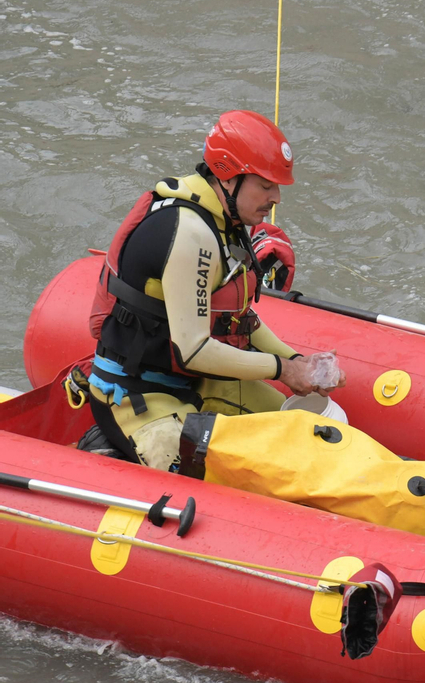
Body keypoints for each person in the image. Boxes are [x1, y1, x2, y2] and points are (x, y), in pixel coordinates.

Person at [81, 110, 343, 470]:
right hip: (139, 398)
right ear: (228, 175)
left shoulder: (225, 219)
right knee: (261, 477)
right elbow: (194, 350)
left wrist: (298, 362)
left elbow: (239, 320)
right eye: (266, 185)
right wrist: (282, 369)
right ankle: (107, 447)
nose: (277, 197)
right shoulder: (192, 233)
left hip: (195, 383)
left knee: (316, 438)